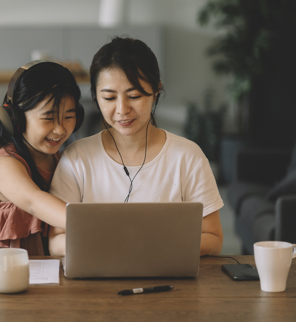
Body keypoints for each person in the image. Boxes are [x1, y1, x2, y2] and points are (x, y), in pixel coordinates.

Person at [48, 36, 224, 257]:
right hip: (94, 285)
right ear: (95, 97)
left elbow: (214, 238)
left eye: (134, 96)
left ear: (156, 91)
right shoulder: (77, 158)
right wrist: (115, 248)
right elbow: (56, 240)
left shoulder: (188, 157)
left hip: (170, 284)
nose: (122, 109)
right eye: (109, 98)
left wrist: (150, 249)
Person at [0, 60, 84, 255]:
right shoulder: (4, 164)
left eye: (68, 117)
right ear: (15, 118)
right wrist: (94, 225)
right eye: (48, 118)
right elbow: (34, 202)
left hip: (38, 268)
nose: (59, 129)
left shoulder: (56, 158)